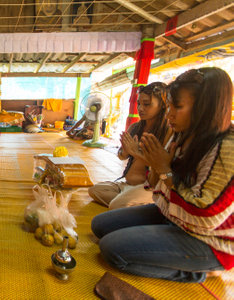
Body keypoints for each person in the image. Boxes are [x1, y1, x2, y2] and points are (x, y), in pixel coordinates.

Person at [91, 67, 233, 282]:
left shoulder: (226, 148)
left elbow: (204, 216)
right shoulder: (180, 135)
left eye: (178, 106)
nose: (170, 114)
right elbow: (154, 184)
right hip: (172, 215)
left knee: (112, 249)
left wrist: (164, 169)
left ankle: (194, 272)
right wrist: (156, 165)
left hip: (207, 239)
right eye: (169, 107)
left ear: (205, 108)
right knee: (100, 225)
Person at [88, 82, 170, 209]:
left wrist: (136, 152)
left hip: (149, 187)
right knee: (94, 190)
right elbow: (121, 155)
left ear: (162, 105)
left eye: (147, 104)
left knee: (116, 205)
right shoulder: (135, 127)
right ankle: (132, 202)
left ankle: (135, 202)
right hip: (126, 184)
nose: (140, 108)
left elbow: (161, 166)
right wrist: (125, 152)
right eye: (139, 103)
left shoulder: (166, 132)